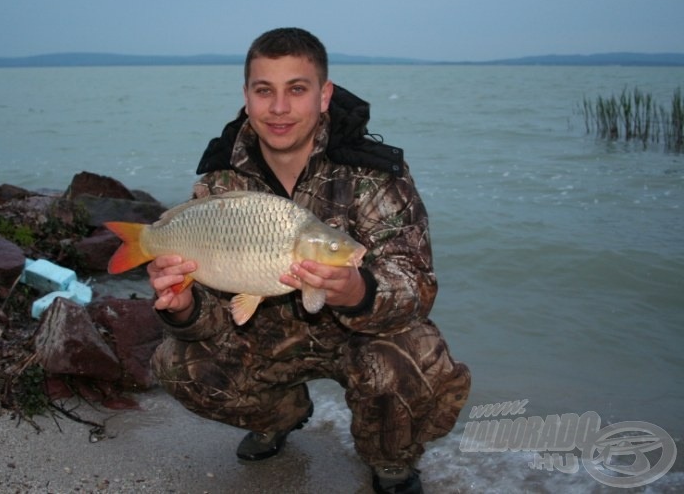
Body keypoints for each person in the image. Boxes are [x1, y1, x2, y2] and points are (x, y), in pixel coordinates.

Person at [149, 27, 470, 494]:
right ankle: (279, 414)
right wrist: (184, 308)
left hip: (357, 340)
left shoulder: (372, 173)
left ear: (324, 96)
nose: (279, 108)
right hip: (262, 339)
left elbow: (418, 288)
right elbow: (214, 317)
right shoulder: (220, 184)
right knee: (175, 364)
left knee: (416, 358)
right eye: (265, 91)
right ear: (246, 97)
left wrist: (360, 292)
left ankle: (390, 457)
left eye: (296, 90)